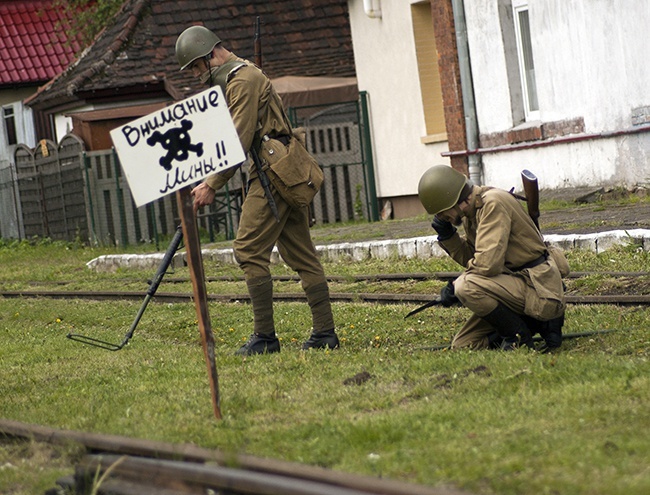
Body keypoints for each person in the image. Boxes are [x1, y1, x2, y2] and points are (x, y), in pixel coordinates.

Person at [175, 25, 339, 355]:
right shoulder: (239, 77)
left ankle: (265, 337)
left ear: (211, 56)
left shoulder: (242, 81)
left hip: (272, 173)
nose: (195, 75)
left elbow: (238, 137)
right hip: (281, 169)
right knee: (302, 255)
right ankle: (325, 334)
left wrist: (211, 183)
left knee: (248, 249)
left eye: (195, 66)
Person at [417, 165, 567, 351]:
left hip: (538, 288)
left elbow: (488, 265)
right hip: (512, 285)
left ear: (456, 202)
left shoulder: (492, 204)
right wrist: (449, 238)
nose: (441, 217)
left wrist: (454, 287)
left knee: (466, 286)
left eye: (441, 212)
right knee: (464, 345)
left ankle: (518, 337)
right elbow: (475, 258)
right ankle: (533, 324)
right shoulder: (472, 212)